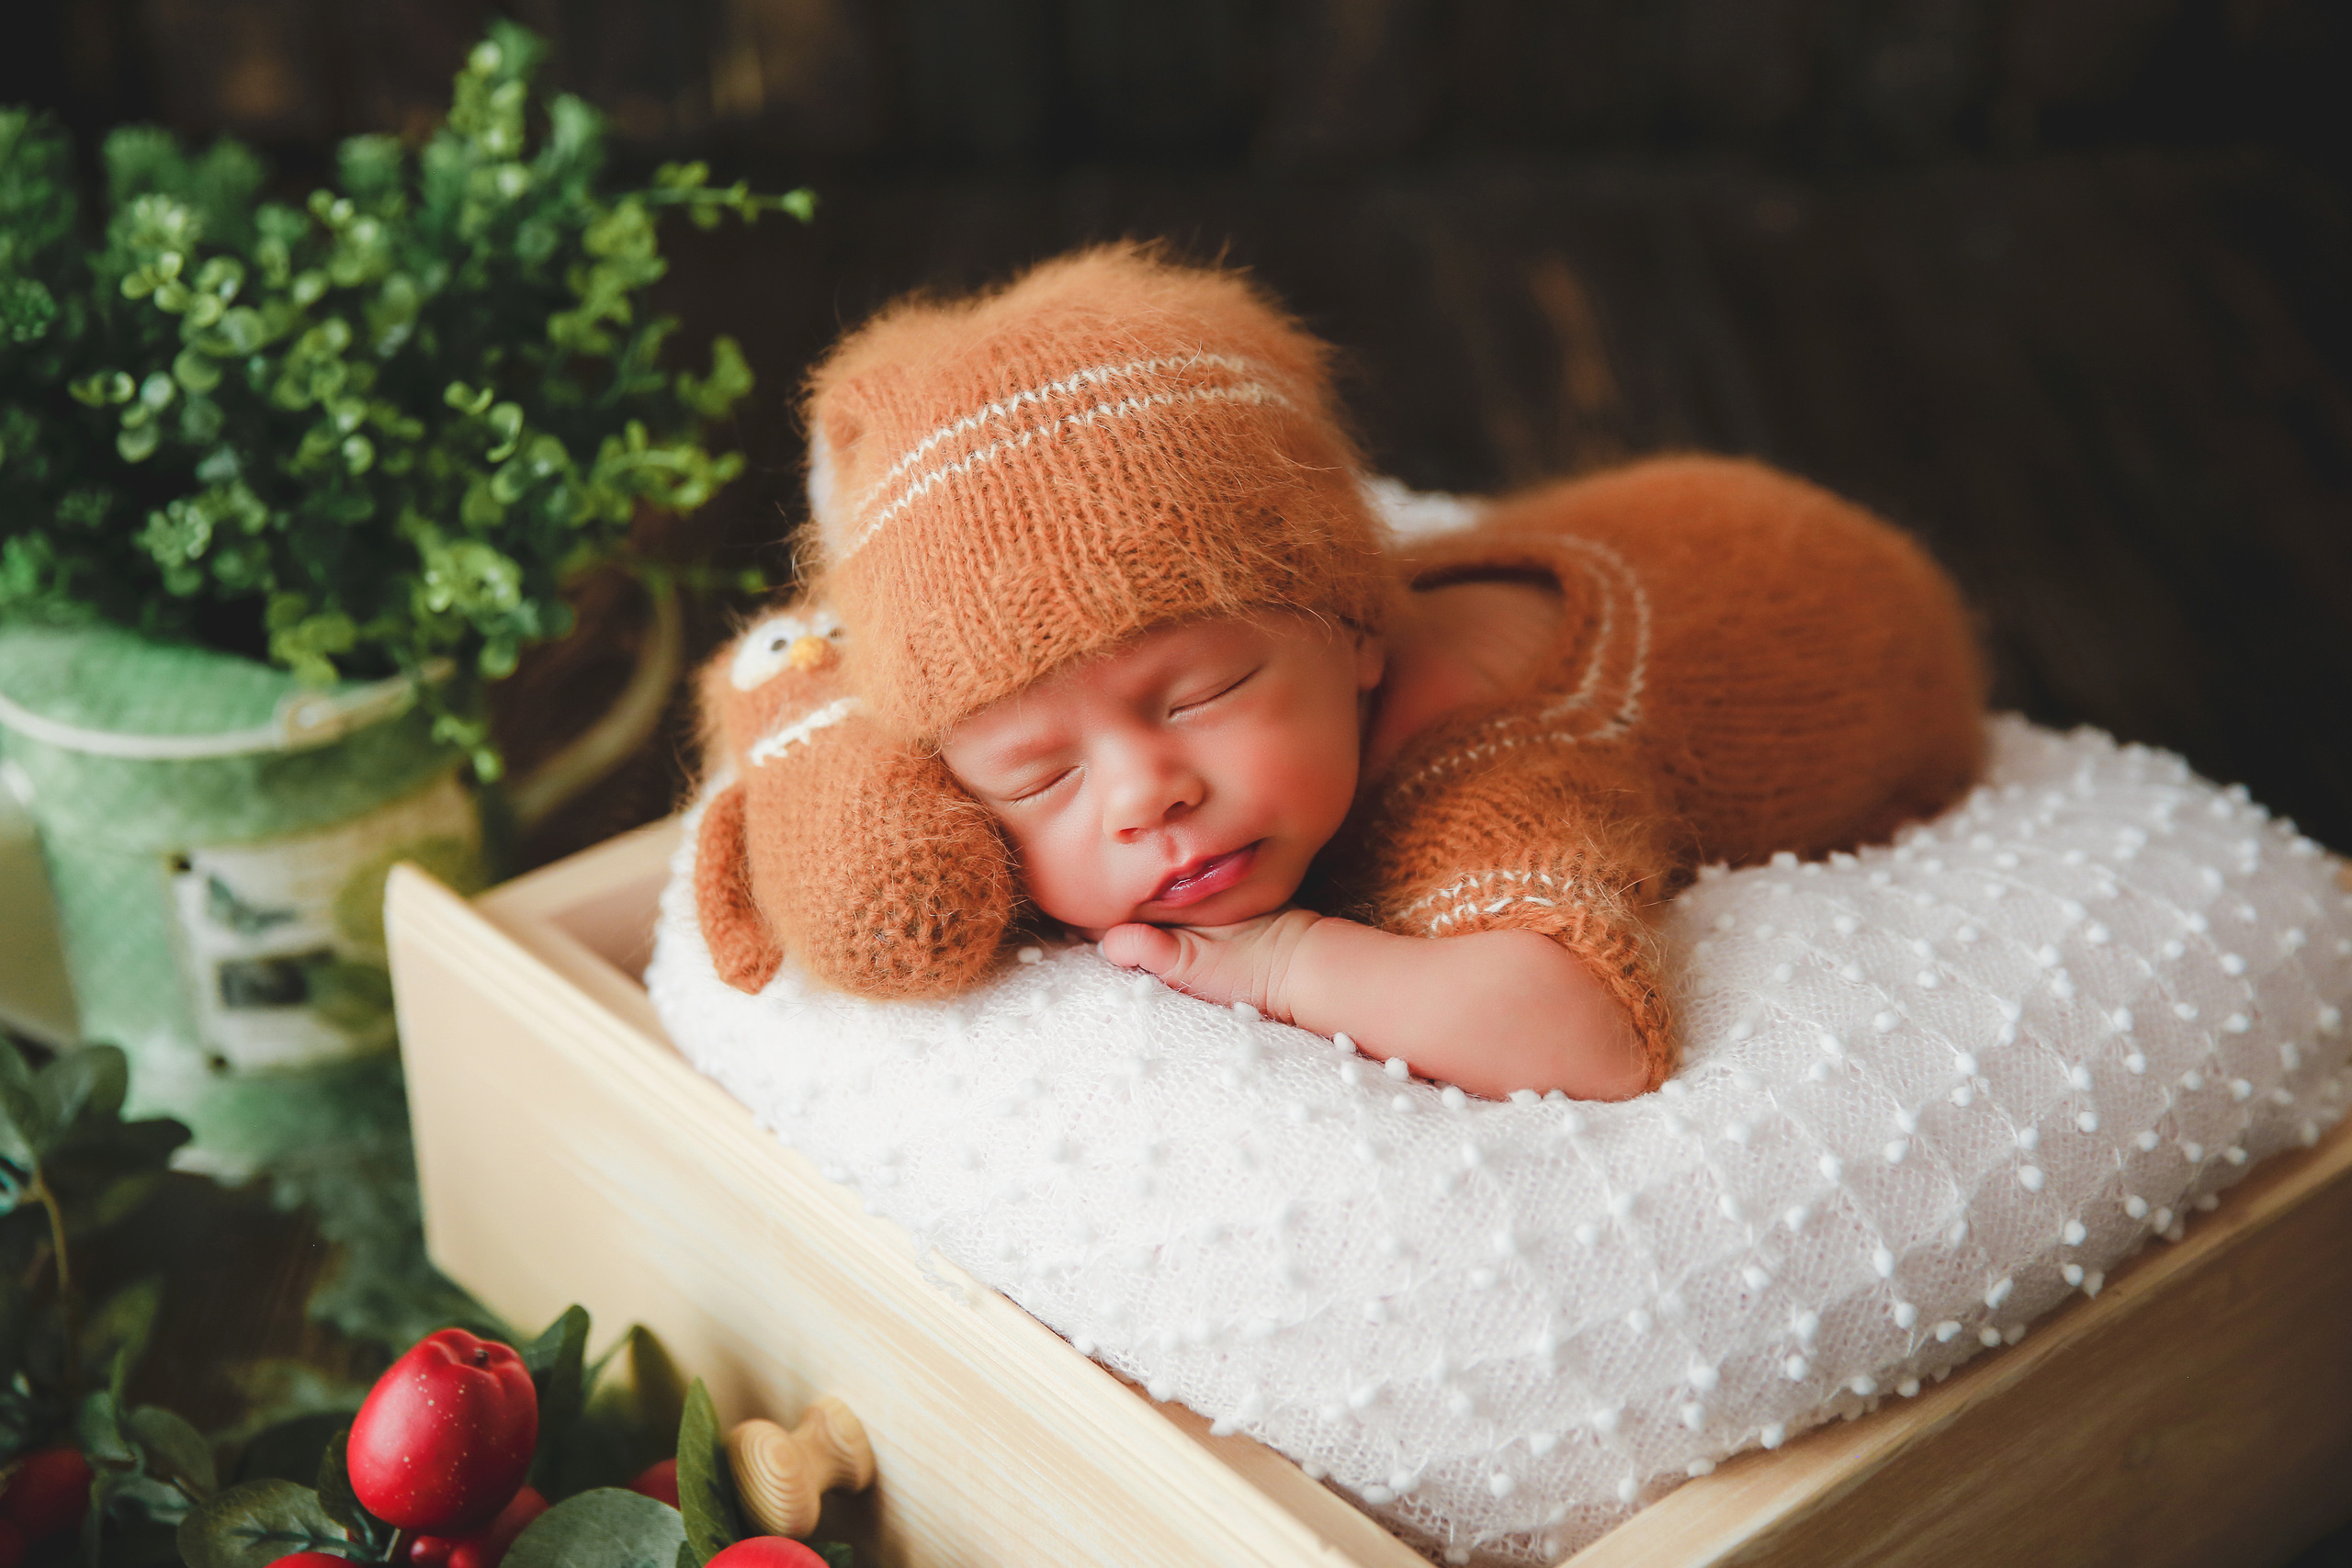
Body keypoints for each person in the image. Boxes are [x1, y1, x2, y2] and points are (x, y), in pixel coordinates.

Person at [693, 244, 1986, 1100]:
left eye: (1197, 696)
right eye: (1037, 775)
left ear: (1357, 635)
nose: (1147, 796)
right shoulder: (1254, 678)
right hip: (1657, 512)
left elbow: (1588, 1032)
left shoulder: (1476, 767)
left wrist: (1281, 961)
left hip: (1848, 619)